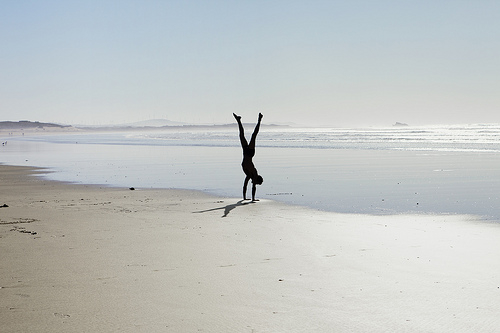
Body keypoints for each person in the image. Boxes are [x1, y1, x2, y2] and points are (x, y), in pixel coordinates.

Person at [233, 112, 264, 201]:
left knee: (241, 135)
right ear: (257, 179)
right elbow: (253, 187)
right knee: (254, 136)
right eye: (256, 182)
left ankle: (238, 120)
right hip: (250, 153)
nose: (254, 183)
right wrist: (253, 199)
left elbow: (245, 185)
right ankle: (259, 120)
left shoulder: (248, 175)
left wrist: (244, 198)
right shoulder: (254, 173)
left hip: (245, 153)